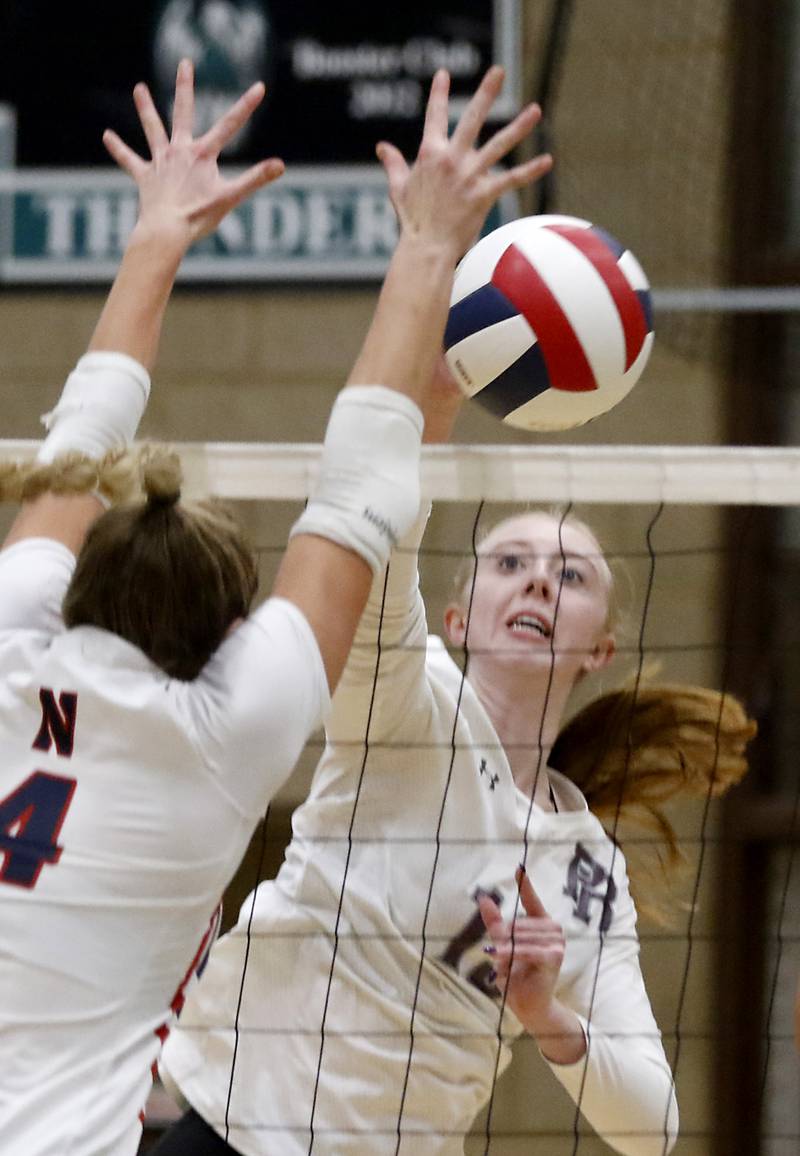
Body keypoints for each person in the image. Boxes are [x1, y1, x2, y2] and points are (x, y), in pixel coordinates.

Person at [0, 59, 550, 1156]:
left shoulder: (14, 636)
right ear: (220, 646)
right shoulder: (226, 735)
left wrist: (156, 233)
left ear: (83, 582)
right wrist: (428, 250)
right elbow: (350, 494)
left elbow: (83, 432)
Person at [156, 355, 755, 1156]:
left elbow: (657, 1130)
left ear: (600, 649)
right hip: (229, 1130)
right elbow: (375, 565)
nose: (539, 583)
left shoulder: (587, 871)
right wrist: (428, 420)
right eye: (510, 564)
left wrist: (549, 1018)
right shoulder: (411, 700)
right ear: (459, 618)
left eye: (570, 576)